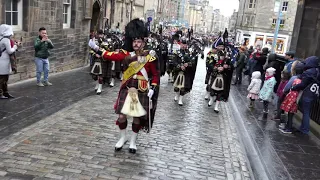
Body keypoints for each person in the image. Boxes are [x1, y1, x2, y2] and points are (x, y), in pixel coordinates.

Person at [89, 18, 160, 153]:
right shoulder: (126, 54)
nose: (136, 44)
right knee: (121, 116)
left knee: (137, 118)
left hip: (141, 90)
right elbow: (110, 55)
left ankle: (133, 141)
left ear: (143, 42)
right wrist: (96, 48)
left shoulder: (150, 57)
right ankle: (122, 138)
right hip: (127, 89)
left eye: (139, 41)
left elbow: (156, 75)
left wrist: (153, 87)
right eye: (134, 41)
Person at [291, 56, 320, 134]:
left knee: (306, 112)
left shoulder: (309, 72)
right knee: (307, 112)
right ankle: (303, 128)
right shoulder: (318, 71)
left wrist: (294, 87)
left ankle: (304, 129)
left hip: (307, 94)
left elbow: (303, 84)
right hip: (314, 94)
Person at [172, 38, 195, 106]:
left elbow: (193, 62)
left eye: (185, 44)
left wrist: (188, 64)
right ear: (180, 44)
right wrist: (180, 66)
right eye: (182, 44)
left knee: (183, 87)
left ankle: (180, 99)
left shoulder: (190, 53)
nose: (183, 46)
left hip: (186, 73)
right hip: (178, 72)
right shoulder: (177, 52)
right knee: (177, 87)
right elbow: (174, 61)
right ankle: (176, 94)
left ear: (187, 45)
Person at [0, 24, 20, 99]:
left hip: (2, 60)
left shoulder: (1, 38)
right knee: (3, 78)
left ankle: (5, 92)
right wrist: (15, 46)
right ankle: (1, 93)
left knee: (3, 78)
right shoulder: (6, 40)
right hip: (4, 61)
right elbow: (10, 51)